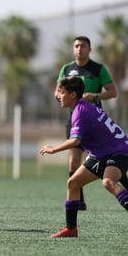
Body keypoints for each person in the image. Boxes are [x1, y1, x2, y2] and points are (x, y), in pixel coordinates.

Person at [40, 76, 128, 238]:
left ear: (73, 95)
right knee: (73, 183)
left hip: (119, 152)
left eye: (61, 92)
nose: (58, 96)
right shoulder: (83, 107)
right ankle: (71, 229)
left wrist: (53, 150)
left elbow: (75, 140)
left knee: (108, 182)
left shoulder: (79, 112)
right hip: (102, 154)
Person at [54, 36, 117, 210]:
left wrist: (95, 96)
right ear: (73, 49)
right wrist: (62, 95)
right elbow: (57, 91)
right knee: (73, 162)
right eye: (76, 46)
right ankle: (78, 200)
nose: (79, 49)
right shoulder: (66, 69)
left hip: (95, 123)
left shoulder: (98, 69)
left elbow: (113, 92)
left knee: (107, 159)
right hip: (75, 120)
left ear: (90, 49)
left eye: (83, 46)